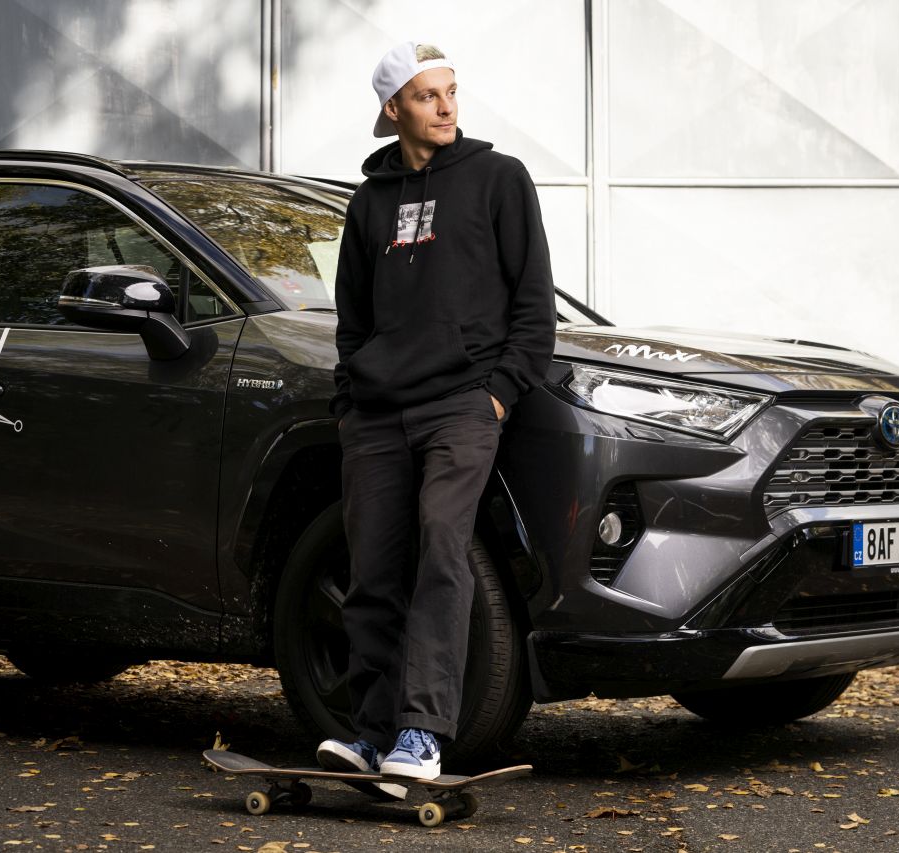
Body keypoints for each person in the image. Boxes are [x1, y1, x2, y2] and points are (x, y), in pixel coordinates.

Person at [316, 40, 555, 790]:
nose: (447, 107)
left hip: (461, 405)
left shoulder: (498, 178)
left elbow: (534, 305)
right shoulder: (369, 203)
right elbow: (353, 319)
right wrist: (351, 402)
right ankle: (371, 732)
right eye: (428, 95)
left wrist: (498, 392)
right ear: (394, 109)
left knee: (442, 556)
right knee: (373, 573)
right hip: (377, 414)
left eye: (452, 91)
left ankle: (421, 734)